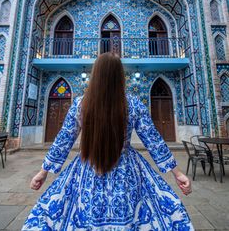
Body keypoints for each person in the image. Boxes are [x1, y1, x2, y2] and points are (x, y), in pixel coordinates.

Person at [22, 52, 193, 230]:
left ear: (95, 75)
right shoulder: (133, 104)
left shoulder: (81, 104)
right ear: (120, 76)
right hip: (127, 170)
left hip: (87, 168)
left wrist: (43, 172)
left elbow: (63, 141)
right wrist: (177, 173)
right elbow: (154, 141)